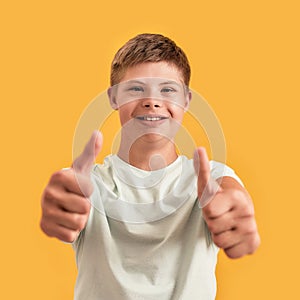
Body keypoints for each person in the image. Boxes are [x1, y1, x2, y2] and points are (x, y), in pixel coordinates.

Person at [40, 33, 260, 300]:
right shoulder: (84, 184)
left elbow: (231, 195)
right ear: (113, 98)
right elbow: (64, 202)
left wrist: (234, 211)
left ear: (187, 101)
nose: (152, 101)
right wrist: (59, 209)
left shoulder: (212, 179)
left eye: (167, 90)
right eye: (135, 89)